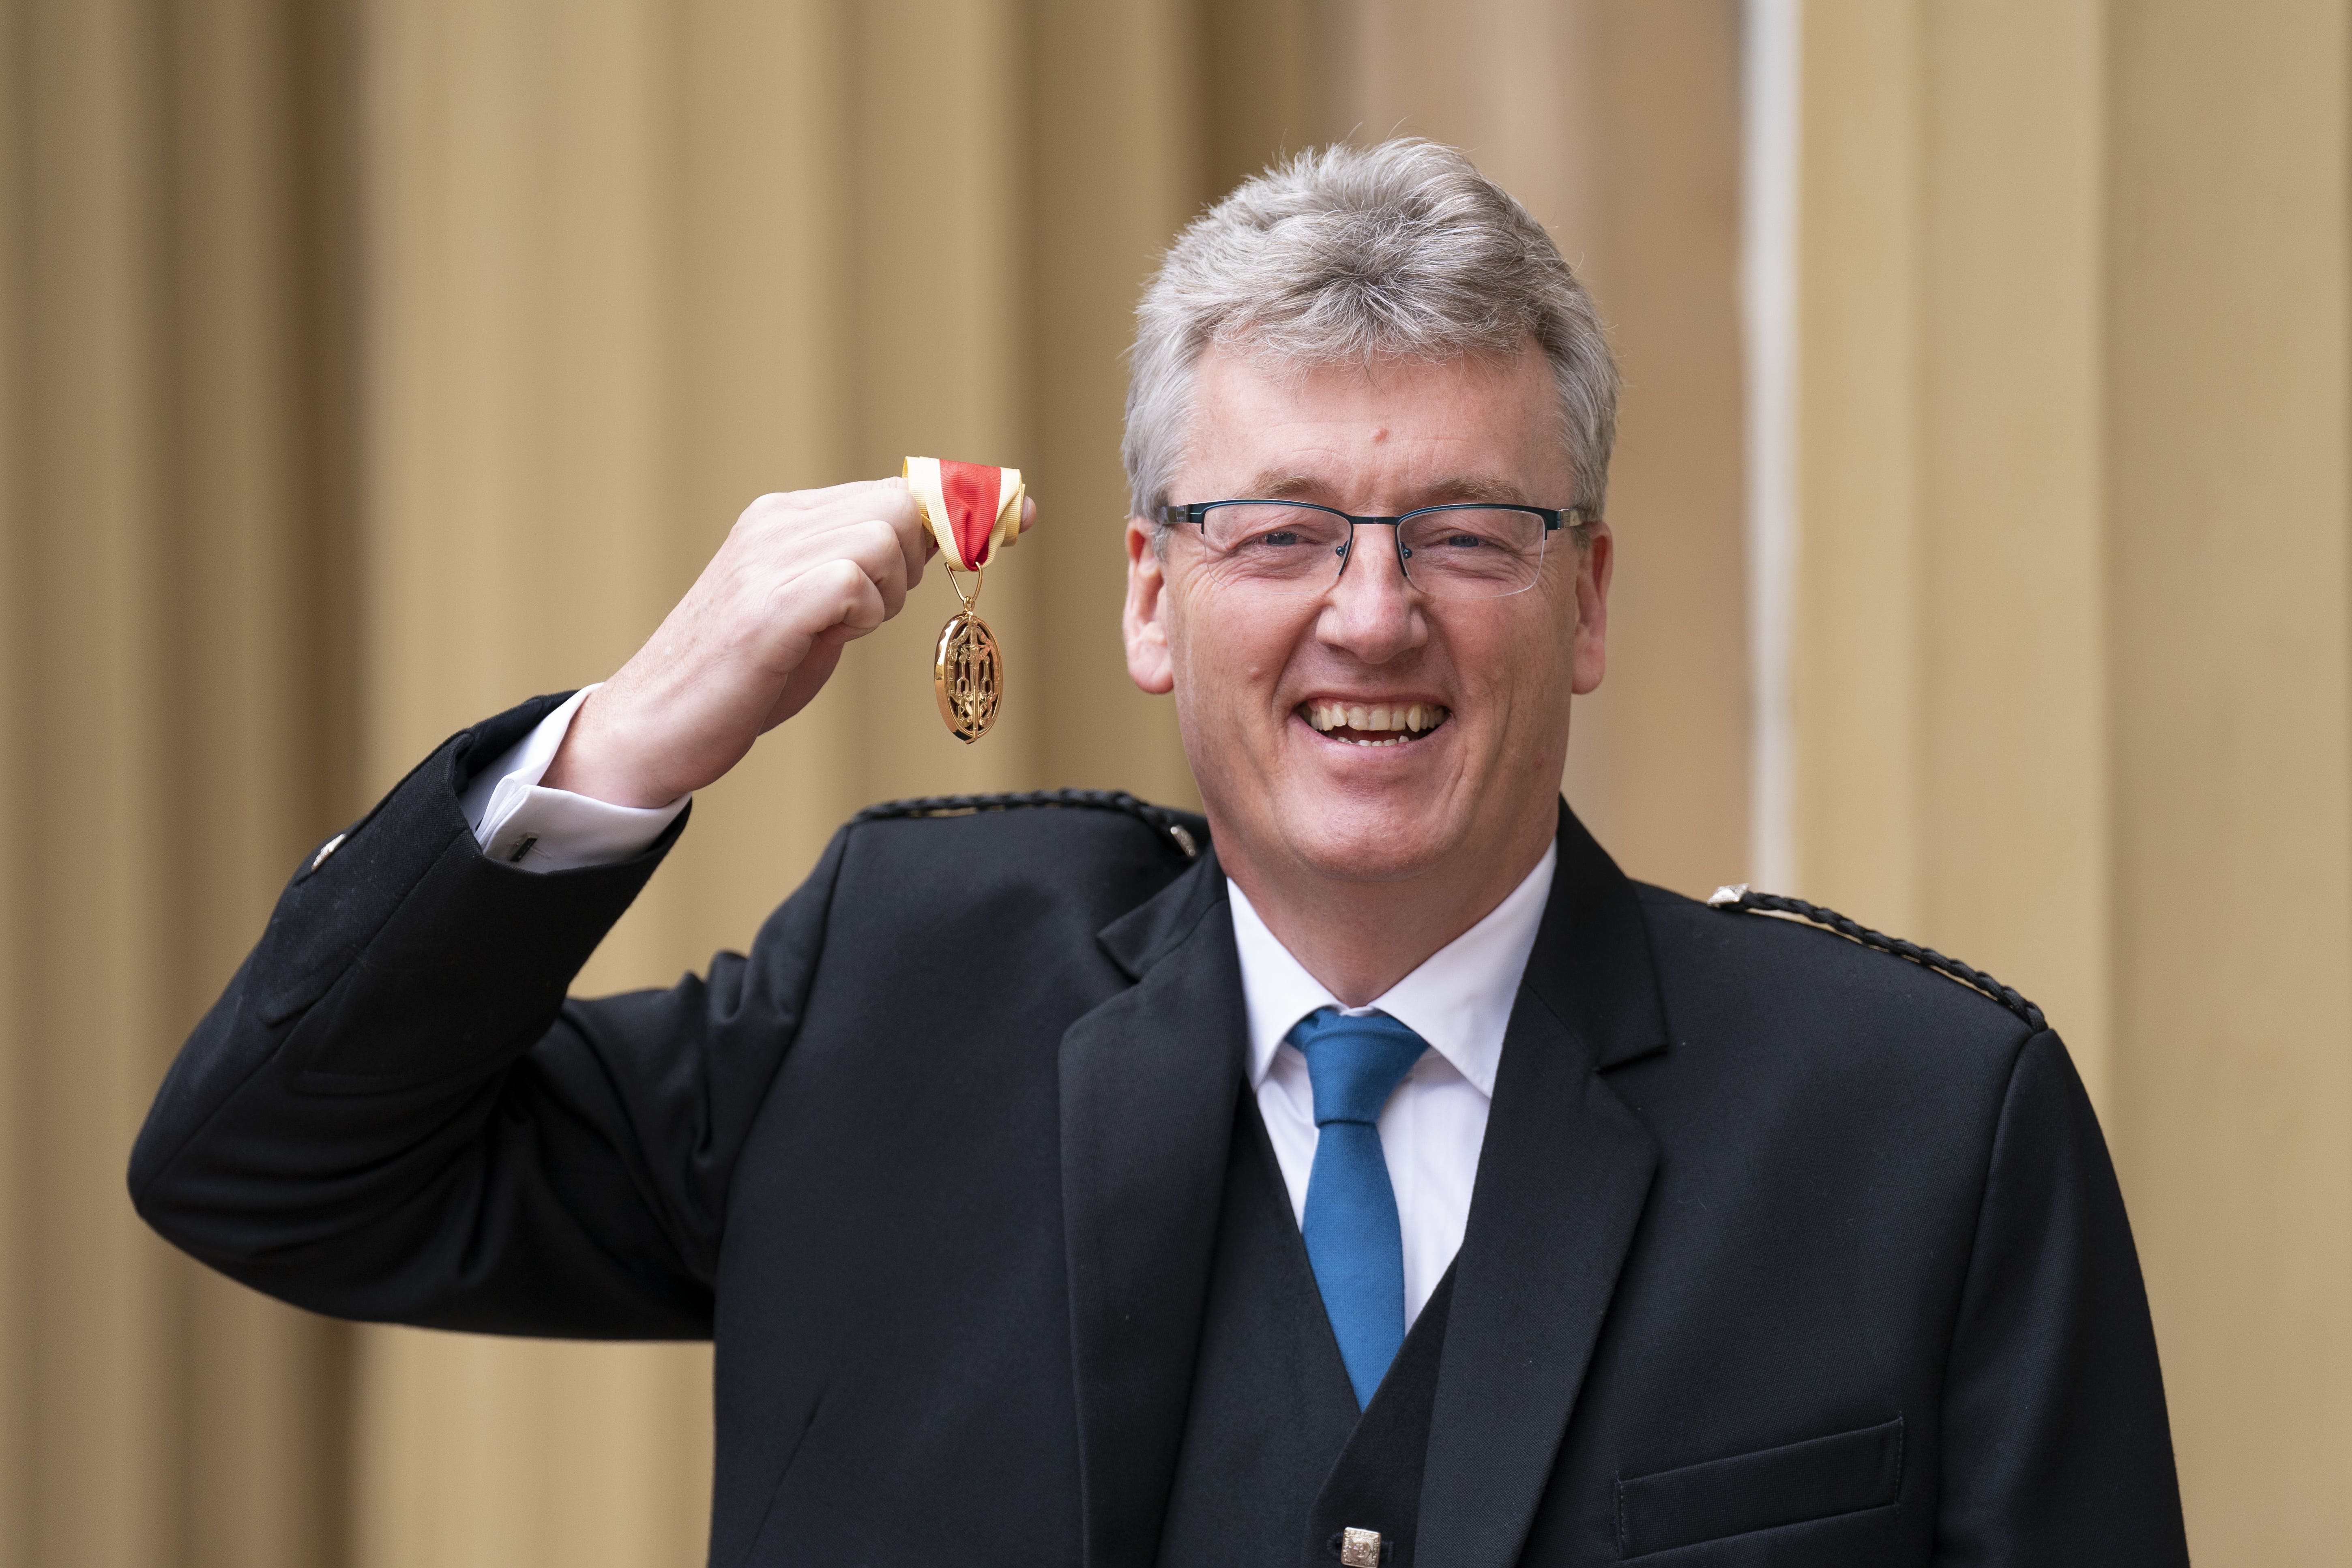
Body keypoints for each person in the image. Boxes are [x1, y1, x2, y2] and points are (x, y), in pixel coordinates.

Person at [130, 140, 2187, 1567]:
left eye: (1468, 533)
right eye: (1277, 530)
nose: (1370, 614)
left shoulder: (1919, 1124)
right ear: (1144, 597)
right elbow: (274, 1165)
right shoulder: (896, 1008)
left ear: (1588, 598)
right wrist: (646, 729)